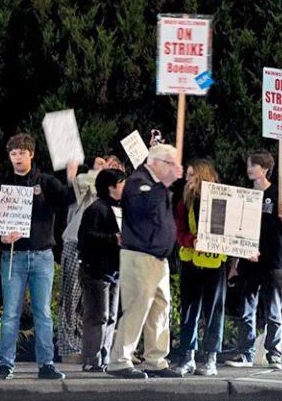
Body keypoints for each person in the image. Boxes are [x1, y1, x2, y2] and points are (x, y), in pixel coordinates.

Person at [0, 133, 76, 381]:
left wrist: (71, 176)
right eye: (13, 153)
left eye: (21, 153)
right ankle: (6, 364)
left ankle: (46, 364)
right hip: (13, 257)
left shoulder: (46, 182)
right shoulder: (2, 185)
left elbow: (67, 199)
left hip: (42, 256)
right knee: (10, 314)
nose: (17, 157)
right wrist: (2, 239)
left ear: (31, 154)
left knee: (43, 313)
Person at [107, 144, 183, 379]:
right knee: (137, 307)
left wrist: (166, 185)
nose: (174, 169)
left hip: (158, 258)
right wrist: (164, 185)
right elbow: (143, 208)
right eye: (170, 164)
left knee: (160, 309)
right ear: (157, 163)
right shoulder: (137, 182)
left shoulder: (158, 186)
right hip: (139, 255)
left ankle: (155, 358)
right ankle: (120, 359)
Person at [226, 150, 282, 369]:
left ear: (264, 169)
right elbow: (237, 230)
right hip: (249, 261)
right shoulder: (245, 196)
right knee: (247, 310)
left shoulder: (279, 195)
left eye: (254, 165)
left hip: (274, 261)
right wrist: (235, 263)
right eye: (248, 164)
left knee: (273, 310)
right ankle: (245, 352)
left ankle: (274, 354)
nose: (249, 169)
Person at [174, 159, 227, 376]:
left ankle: (211, 357)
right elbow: (179, 230)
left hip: (215, 263)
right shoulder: (183, 201)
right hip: (191, 262)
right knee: (189, 311)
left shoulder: (222, 200)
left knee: (214, 312)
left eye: (190, 175)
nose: (187, 179)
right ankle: (188, 355)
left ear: (202, 176)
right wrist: (190, 241)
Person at [77, 169, 125, 372]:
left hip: (114, 270)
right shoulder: (97, 209)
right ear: (111, 186)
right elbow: (85, 237)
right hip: (96, 271)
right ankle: (92, 359)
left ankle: (103, 357)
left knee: (111, 316)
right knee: (98, 316)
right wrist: (113, 238)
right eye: (123, 183)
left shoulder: (120, 208)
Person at [56, 157, 104, 360]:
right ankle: (69, 349)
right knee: (71, 299)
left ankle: (96, 347)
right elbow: (80, 183)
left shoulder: (118, 190)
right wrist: (94, 172)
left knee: (98, 303)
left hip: (102, 247)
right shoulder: (86, 180)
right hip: (76, 243)